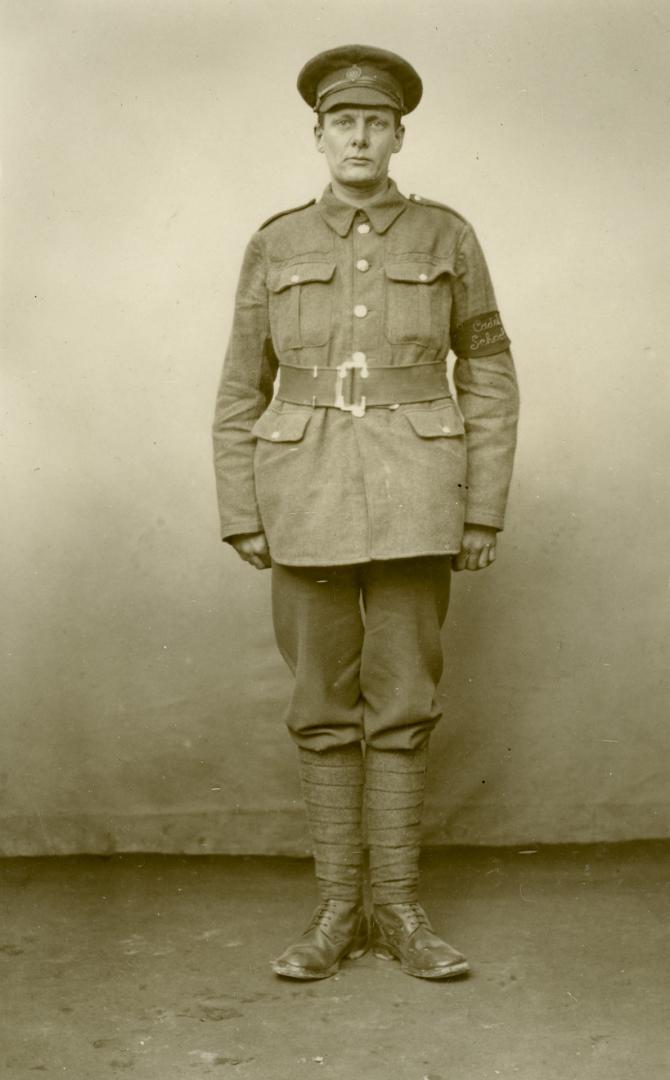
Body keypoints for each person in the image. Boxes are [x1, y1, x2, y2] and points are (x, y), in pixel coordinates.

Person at [212, 44, 519, 981]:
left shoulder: (445, 236)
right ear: (318, 136)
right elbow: (237, 385)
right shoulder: (276, 243)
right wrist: (242, 509)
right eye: (342, 122)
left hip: (417, 497)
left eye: (375, 123)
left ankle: (400, 913)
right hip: (300, 492)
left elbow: (492, 370)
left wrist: (482, 510)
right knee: (320, 707)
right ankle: (337, 913)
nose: (358, 136)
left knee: (402, 705)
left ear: (396, 136)